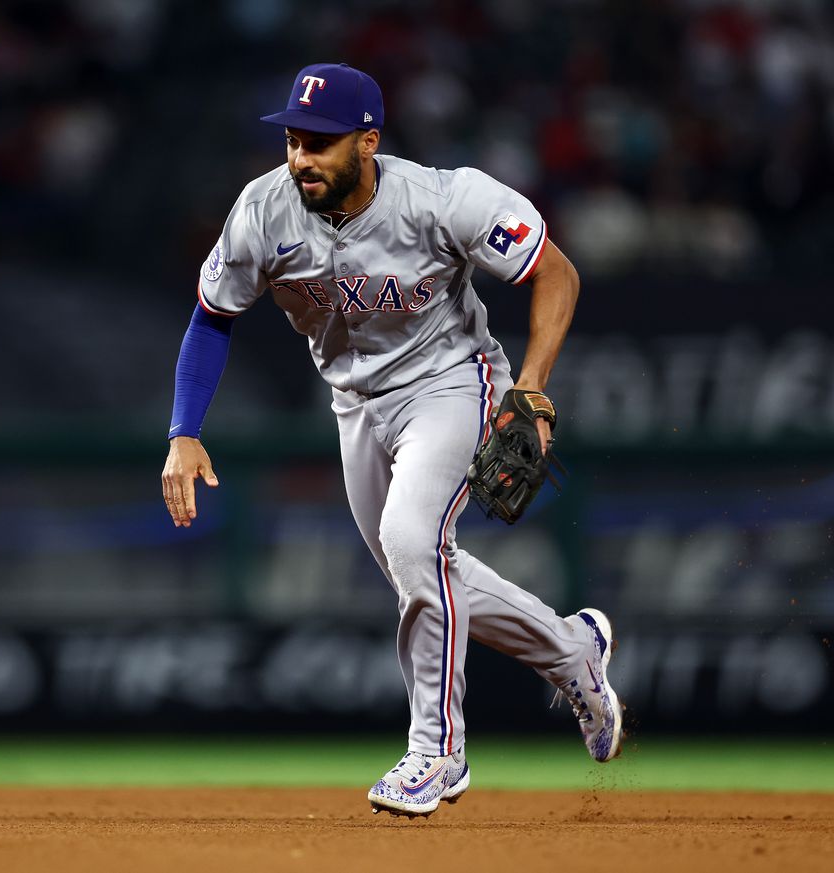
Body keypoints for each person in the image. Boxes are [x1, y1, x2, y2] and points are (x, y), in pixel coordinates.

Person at [161, 63, 622, 817]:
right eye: (292, 140)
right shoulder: (262, 211)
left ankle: (437, 752)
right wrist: (184, 432)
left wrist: (531, 384)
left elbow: (556, 273)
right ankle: (574, 652)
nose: (300, 156)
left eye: (319, 142)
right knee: (423, 570)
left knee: (412, 541)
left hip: (451, 384)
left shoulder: (444, 200)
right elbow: (212, 315)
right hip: (354, 406)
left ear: (367, 141)